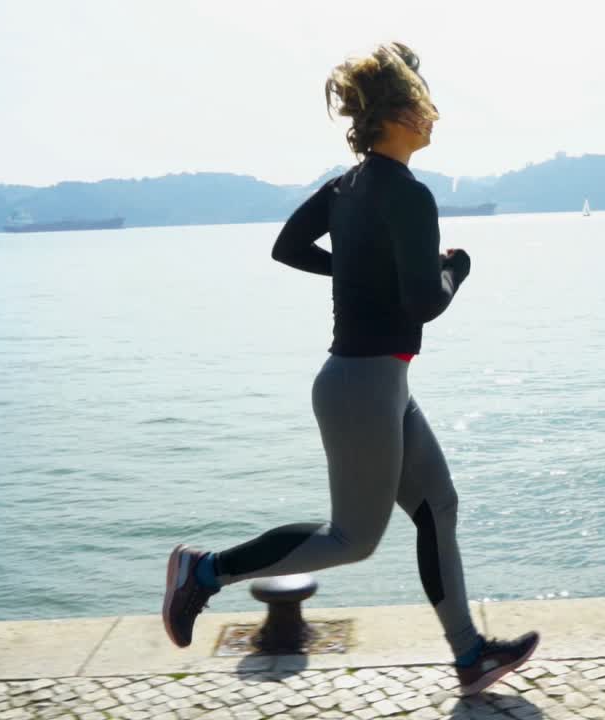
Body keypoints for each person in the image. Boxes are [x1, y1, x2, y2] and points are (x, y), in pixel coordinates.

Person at [160, 41, 538, 697]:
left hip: (376, 383)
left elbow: (287, 247)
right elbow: (426, 301)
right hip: (364, 385)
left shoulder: (347, 187)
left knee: (437, 506)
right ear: (397, 113)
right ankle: (205, 570)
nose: (435, 119)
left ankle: (470, 656)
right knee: (352, 539)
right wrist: (458, 269)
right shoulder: (409, 195)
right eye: (426, 107)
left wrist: (361, 271)